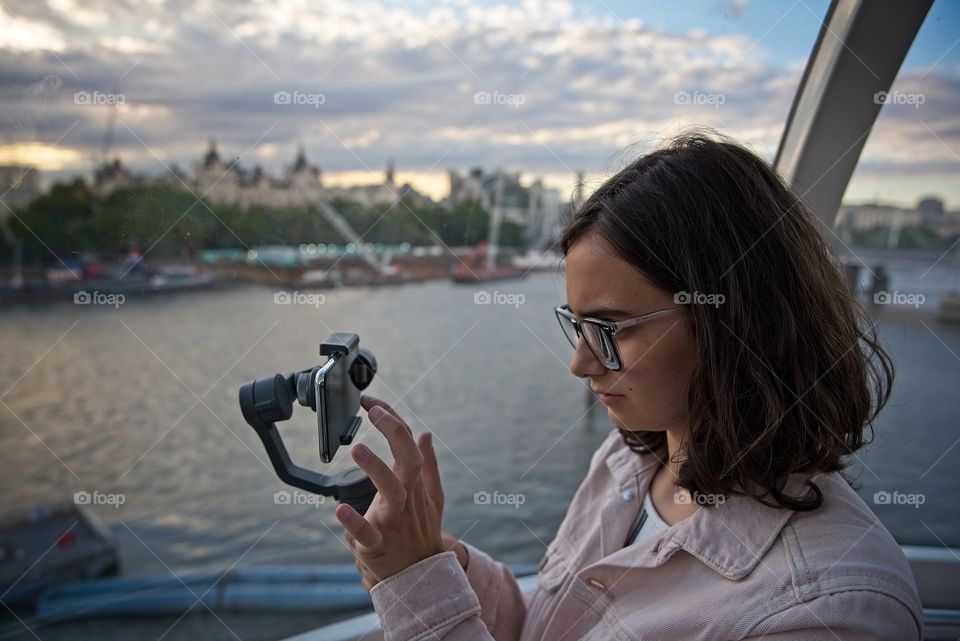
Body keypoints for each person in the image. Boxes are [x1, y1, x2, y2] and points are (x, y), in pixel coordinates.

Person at [335, 132, 923, 640]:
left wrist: (422, 593)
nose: (581, 365)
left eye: (610, 328)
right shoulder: (629, 459)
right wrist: (440, 564)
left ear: (733, 322)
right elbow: (545, 627)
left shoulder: (827, 610)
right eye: (577, 325)